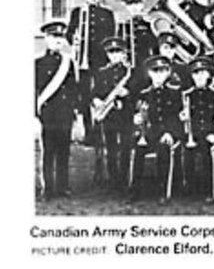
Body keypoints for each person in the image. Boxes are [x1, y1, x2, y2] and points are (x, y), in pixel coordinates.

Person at [66, 0, 116, 146]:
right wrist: (75, 39)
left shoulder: (107, 14)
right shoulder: (77, 12)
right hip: (83, 63)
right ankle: (90, 134)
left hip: (102, 63)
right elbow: (69, 34)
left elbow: (112, 38)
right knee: (86, 97)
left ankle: (103, 132)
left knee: (102, 95)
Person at [35, 21, 83, 199]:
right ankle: (48, 188)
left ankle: (63, 187)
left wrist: (75, 111)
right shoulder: (38, 62)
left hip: (65, 114)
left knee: (64, 151)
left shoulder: (68, 63)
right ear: (46, 38)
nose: (58, 40)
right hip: (48, 114)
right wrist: (34, 114)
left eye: (60, 37)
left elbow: (74, 89)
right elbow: (33, 91)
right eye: (54, 37)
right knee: (48, 152)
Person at [130, 55, 184, 203]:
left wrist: (170, 133)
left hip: (168, 133)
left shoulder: (174, 93)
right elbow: (139, 113)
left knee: (163, 149)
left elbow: (176, 117)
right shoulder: (144, 94)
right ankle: (135, 191)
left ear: (167, 73)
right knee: (138, 149)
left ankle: (162, 191)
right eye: (155, 71)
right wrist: (137, 119)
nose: (158, 75)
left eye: (162, 71)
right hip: (149, 132)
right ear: (150, 73)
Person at [91, 37, 133, 191]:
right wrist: (96, 101)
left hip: (126, 115)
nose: (115, 56)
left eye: (118, 52)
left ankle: (124, 179)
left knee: (126, 147)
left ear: (124, 54)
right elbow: (94, 93)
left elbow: (138, 93)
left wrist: (127, 93)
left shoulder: (130, 72)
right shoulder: (102, 73)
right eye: (111, 53)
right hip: (109, 115)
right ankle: (113, 179)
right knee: (111, 147)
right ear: (108, 55)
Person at [179, 56, 214, 199]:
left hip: (210, 134)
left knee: (206, 153)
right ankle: (190, 190)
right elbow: (182, 118)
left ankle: (208, 190)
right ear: (192, 76)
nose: (199, 77)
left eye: (203, 73)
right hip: (192, 133)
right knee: (188, 154)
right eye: (196, 73)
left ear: (209, 75)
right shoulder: (187, 95)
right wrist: (182, 116)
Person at [118, 0, 158, 70]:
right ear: (126, 7)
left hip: (149, 67)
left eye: (136, 3)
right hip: (130, 68)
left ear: (142, 5)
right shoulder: (123, 27)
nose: (134, 7)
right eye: (130, 4)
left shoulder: (149, 24)